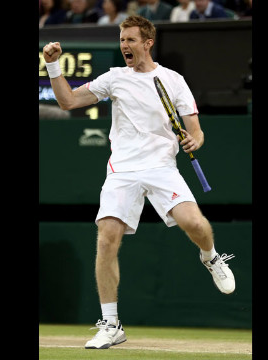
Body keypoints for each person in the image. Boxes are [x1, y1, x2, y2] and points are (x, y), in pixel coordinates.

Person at [41, 15, 236, 350]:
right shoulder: (114, 78)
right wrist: (53, 66)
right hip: (123, 171)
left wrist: (195, 141)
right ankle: (111, 323)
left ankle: (211, 256)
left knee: (196, 224)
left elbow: (196, 130)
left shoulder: (173, 80)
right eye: (121, 39)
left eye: (130, 40)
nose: (124, 46)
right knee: (107, 237)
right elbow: (68, 102)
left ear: (148, 42)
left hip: (162, 167)